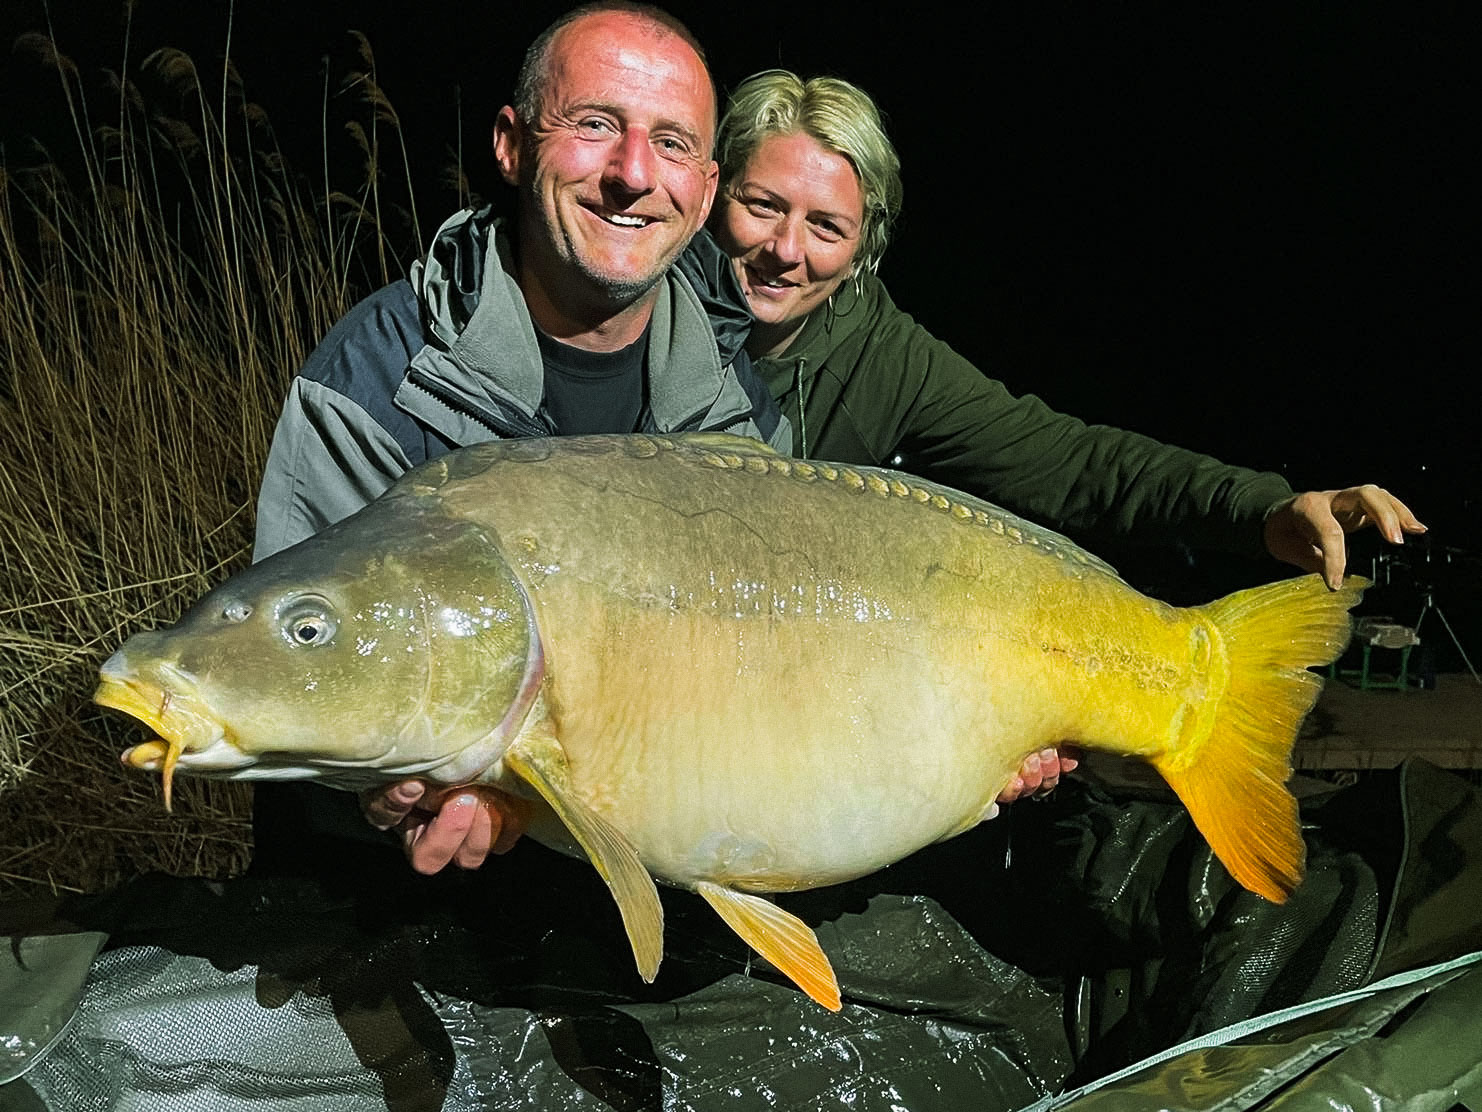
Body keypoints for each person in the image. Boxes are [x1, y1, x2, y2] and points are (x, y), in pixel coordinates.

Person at [706, 68, 1427, 805]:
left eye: (826, 226)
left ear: (864, 246)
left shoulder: (886, 356)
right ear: (710, 191)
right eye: (762, 206)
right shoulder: (640, 307)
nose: (785, 249)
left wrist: (1263, 511)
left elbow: (1071, 463)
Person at [249, 2, 790, 874]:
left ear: (708, 191)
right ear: (510, 144)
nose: (633, 173)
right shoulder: (374, 388)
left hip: (642, 859)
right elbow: (301, 709)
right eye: (595, 126)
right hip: (409, 903)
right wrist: (366, 806)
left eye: (673, 143)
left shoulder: (741, 410)